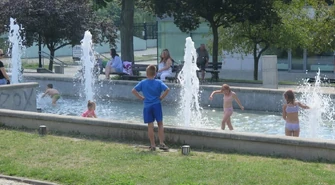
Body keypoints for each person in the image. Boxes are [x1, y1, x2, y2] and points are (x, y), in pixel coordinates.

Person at [132, 65, 170, 151]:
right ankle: (161, 143)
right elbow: (167, 89)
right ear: (155, 74)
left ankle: (153, 144)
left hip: (147, 105)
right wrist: (161, 97)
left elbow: (133, 90)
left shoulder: (143, 82)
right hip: (157, 104)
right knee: (160, 124)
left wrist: (141, 97)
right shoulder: (159, 82)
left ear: (146, 74)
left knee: (150, 125)